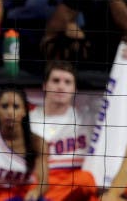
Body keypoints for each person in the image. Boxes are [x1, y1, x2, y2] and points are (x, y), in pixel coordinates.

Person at [29, 62, 97, 201]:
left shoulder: (87, 120)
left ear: (75, 89)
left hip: (78, 190)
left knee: (85, 179)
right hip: (42, 185)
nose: (61, 86)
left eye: (67, 82)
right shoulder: (28, 121)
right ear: (44, 86)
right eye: (55, 81)